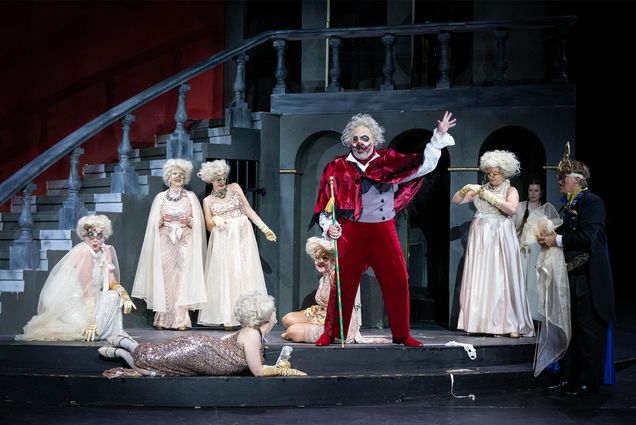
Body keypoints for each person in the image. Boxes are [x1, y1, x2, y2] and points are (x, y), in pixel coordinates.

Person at [312, 112, 457, 347]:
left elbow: (422, 166)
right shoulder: (336, 167)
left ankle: (402, 333)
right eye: (356, 138)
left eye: (365, 138)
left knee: (398, 280)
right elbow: (324, 206)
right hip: (352, 231)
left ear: (374, 140)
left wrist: (438, 138)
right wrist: (330, 227)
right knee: (343, 283)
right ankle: (331, 334)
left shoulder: (388, 161)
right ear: (350, 141)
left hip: (383, 230)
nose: (360, 143)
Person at [539, 146, 615, 396]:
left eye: (563, 178)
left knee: (588, 331)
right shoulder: (568, 205)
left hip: (588, 278)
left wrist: (557, 240)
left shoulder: (592, 202)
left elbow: (588, 236)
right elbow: (568, 232)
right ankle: (569, 376)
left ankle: (588, 380)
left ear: (576, 180)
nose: (559, 182)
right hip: (570, 276)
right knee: (569, 329)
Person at [98, 292, 306, 377]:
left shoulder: (253, 333)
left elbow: (229, 343)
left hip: (201, 350)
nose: (275, 313)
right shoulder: (252, 334)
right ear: (267, 315)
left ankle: (124, 351)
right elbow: (258, 371)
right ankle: (127, 345)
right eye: (273, 310)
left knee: (160, 367)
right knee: (155, 359)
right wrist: (284, 371)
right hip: (200, 352)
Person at [452, 150, 534, 338]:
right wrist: (465, 189)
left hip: (500, 233)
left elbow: (512, 209)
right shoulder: (481, 188)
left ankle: (508, 323)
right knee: (481, 276)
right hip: (480, 234)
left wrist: (487, 196)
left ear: (503, 173)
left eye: (495, 173)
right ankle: (478, 321)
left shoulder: (510, 190)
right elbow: (456, 200)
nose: (492, 176)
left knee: (501, 276)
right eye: (489, 173)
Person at [17, 215, 135, 341]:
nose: (95, 240)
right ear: (84, 236)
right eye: (91, 235)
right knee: (93, 328)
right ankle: (96, 329)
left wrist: (124, 295)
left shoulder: (106, 251)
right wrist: (91, 320)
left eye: (99, 236)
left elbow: (111, 280)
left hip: (92, 298)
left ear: (104, 236)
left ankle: (111, 332)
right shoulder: (84, 253)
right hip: (74, 303)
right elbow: (87, 287)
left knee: (114, 296)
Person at [196, 160, 275, 328]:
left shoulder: (235, 187)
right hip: (224, 238)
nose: (221, 180)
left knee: (245, 272)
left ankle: (252, 316)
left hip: (242, 234)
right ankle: (229, 317)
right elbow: (209, 225)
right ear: (211, 180)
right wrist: (215, 220)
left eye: (223, 177)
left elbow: (247, 209)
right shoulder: (208, 200)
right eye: (217, 178)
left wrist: (263, 227)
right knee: (228, 275)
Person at [132, 159, 207, 330]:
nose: (178, 177)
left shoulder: (191, 197)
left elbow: (199, 225)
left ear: (185, 177)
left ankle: (181, 320)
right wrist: (161, 220)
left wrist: (188, 220)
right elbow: (152, 225)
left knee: (182, 279)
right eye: (174, 174)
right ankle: (162, 319)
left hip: (184, 242)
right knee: (165, 280)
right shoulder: (160, 198)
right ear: (168, 177)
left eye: (181, 174)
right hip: (165, 241)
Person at [282, 237, 364, 343]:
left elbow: (342, 304)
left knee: (292, 331)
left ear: (333, 260)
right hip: (322, 314)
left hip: (336, 323)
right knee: (287, 319)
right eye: (317, 258)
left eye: (325, 258)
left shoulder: (335, 275)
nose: (319, 262)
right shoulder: (324, 277)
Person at [514, 179, 555, 320]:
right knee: (521, 281)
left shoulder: (545, 210)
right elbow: (512, 228)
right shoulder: (519, 207)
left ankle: (534, 315)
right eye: (531, 190)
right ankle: (520, 315)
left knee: (534, 282)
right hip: (521, 249)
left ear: (541, 192)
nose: (533, 193)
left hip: (537, 250)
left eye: (536, 190)